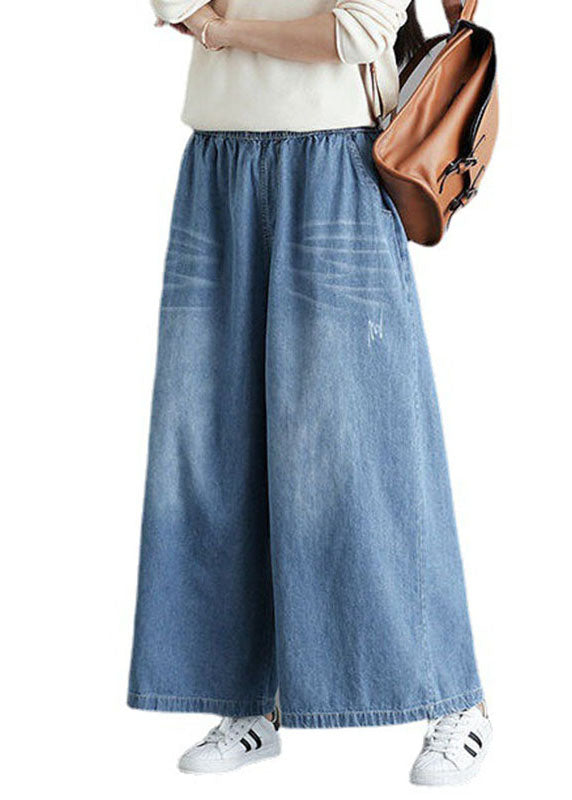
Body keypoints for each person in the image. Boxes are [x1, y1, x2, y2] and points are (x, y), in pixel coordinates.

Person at [128, 0, 492, 785]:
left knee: (365, 442)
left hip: (335, 163)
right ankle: (249, 701)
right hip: (218, 159)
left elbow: (356, 32)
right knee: (210, 442)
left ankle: (454, 697)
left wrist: (225, 29)